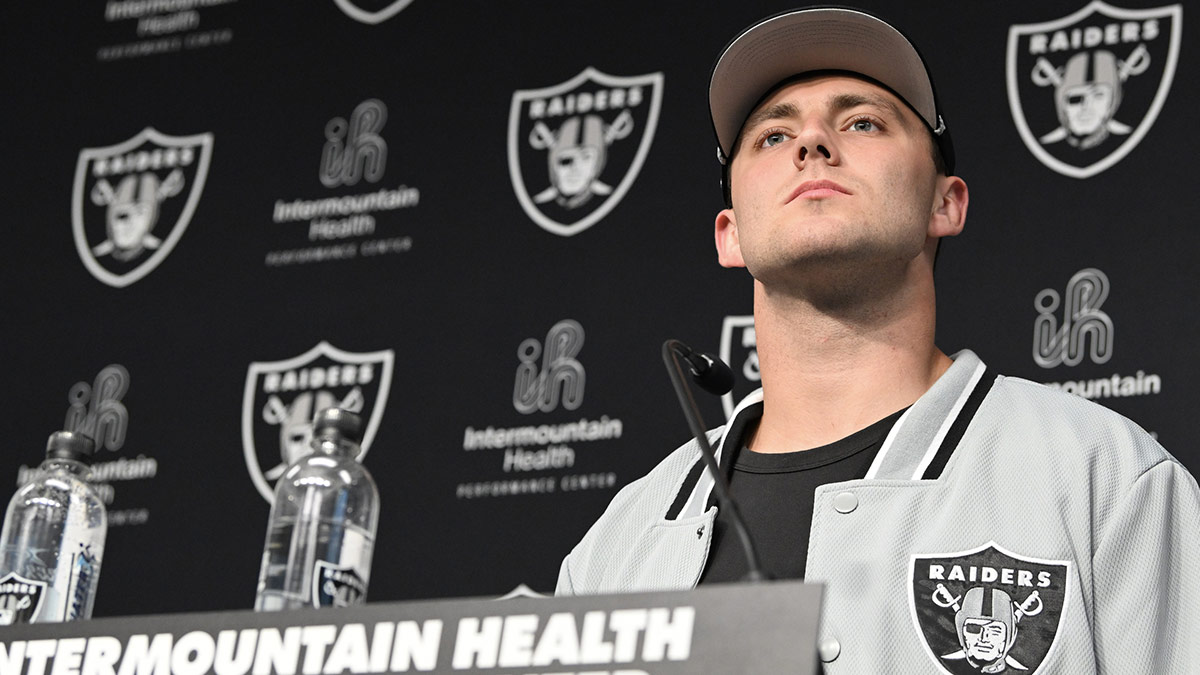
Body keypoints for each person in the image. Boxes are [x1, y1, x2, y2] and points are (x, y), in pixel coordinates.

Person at [555, 7, 1200, 673]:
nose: (812, 144)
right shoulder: (621, 542)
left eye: (861, 121)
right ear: (730, 234)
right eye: (773, 136)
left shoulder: (1107, 479)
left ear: (945, 202)